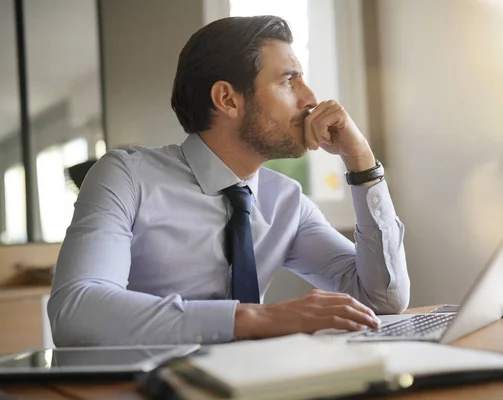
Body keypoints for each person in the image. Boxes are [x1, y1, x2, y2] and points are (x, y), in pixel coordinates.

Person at [48, 15, 410, 346]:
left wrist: (362, 163)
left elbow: (382, 299)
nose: (311, 99)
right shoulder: (126, 177)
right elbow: (75, 311)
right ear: (227, 100)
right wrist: (257, 318)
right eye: (288, 80)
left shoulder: (286, 202)